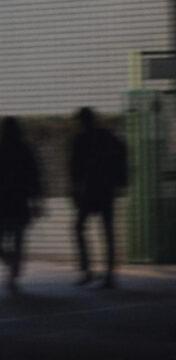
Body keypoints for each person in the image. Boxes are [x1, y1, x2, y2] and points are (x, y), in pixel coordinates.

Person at [68, 106, 128, 289]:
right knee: (107, 232)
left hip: (89, 191)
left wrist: (75, 190)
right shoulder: (106, 136)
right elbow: (122, 153)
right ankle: (109, 274)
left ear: (83, 121)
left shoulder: (80, 139)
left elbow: (74, 168)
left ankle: (87, 270)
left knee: (79, 228)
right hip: (106, 190)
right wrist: (119, 181)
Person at [0, 117, 38, 292]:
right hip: (19, 200)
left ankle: (10, 262)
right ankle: (13, 272)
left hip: (4, 202)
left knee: (8, 238)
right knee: (18, 238)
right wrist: (36, 201)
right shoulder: (25, 150)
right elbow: (34, 176)